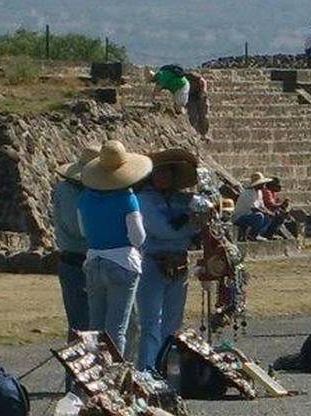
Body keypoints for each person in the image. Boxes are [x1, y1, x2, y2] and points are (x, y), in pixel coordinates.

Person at [78, 140, 153, 354]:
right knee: (117, 329)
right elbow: (138, 236)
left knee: (95, 328)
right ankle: (115, 378)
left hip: (94, 261)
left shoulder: (84, 198)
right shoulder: (127, 199)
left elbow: (84, 232)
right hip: (122, 262)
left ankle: (93, 376)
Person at [135, 156, 209, 371]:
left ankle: (167, 366)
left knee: (173, 322)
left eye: (168, 173)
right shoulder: (144, 200)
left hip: (179, 263)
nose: (164, 177)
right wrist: (190, 226)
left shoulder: (181, 200)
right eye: (160, 173)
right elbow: (162, 230)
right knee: (151, 321)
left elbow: (205, 214)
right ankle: (147, 369)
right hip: (153, 262)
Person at [52, 145, 100, 390]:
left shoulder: (84, 192)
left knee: (95, 323)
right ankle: (76, 381)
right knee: (81, 324)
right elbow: (78, 229)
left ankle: (91, 378)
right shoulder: (69, 192)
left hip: (89, 259)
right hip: (76, 260)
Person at [233, 172, 277, 241]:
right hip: (240, 218)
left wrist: (269, 213)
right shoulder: (247, 193)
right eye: (262, 183)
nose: (264, 185)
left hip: (251, 216)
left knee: (268, 217)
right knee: (259, 216)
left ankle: (258, 234)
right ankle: (252, 235)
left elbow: (261, 206)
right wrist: (266, 212)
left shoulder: (259, 192)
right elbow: (254, 208)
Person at [185, 70, 211, 141]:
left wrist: (203, 92)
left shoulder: (193, 76)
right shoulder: (183, 80)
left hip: (200, 96)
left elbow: (203, 81)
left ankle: (204, 134)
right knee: (193, 116)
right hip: (190, 98)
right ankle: (195, 134)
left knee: (204, 116)